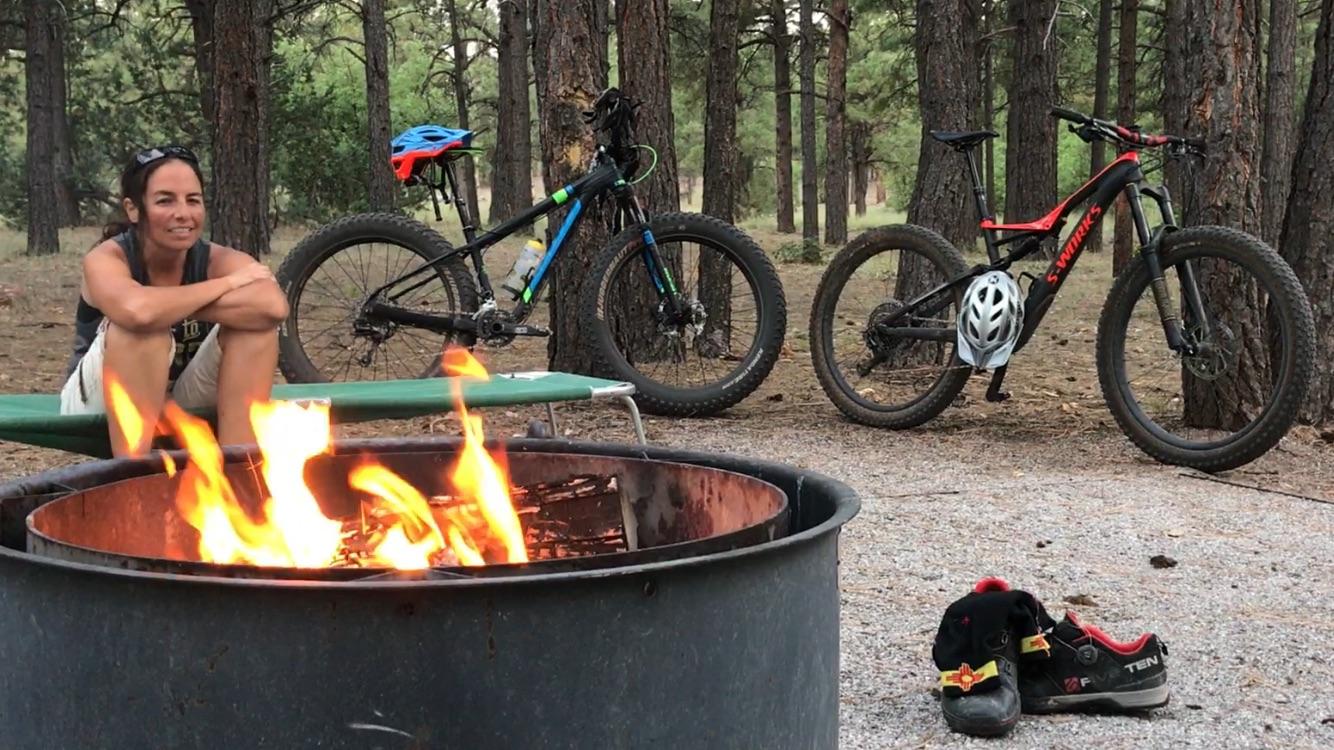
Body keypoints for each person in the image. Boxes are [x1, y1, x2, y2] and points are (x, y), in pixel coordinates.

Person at [59, 145, 288, 457]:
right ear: (134, 209)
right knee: (142, 331)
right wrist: (226, 286)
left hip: (181, 394)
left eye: (192, 200)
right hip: (96, 398)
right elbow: (138, 313)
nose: (183, 213)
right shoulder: (107, 257)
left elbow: (272, 308)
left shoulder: (214, 258)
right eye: (165, 200)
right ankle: (133, 482)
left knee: (255, 329)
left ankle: (238, 475)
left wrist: (166, 303)